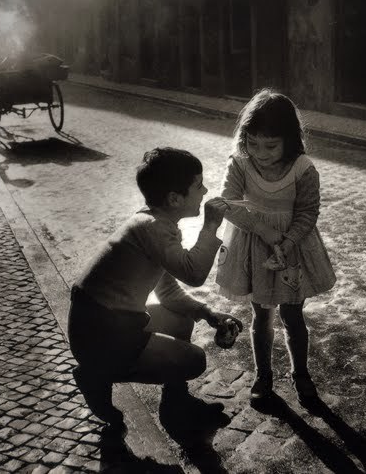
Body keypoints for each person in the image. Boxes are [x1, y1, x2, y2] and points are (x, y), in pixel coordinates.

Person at [68, 147, 243, 427]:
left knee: (181, 319)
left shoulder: (151, 223)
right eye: (198, 185)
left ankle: (176, 403)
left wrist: (206, 313)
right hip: (100, 333)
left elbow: (168, 292)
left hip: (98, 324)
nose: (205, 190)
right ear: (175, 198)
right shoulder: (154, 227)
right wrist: (210, 225)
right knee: (194, 361)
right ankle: (96, 374)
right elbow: (194, 274)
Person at [216, 89, 336, 407]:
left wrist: (287, 240)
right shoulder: (241, 163)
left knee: (293, 315)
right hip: (253, 245)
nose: (261, 153)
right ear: (244, 139)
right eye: (253, 144)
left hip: (293, 248)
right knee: (260, 315)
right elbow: (228, 203)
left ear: (289, 139)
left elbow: (308, 212)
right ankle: (263, 375)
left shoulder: (303, 168)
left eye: (270, 145)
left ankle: (301, 373)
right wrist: (263, 230)